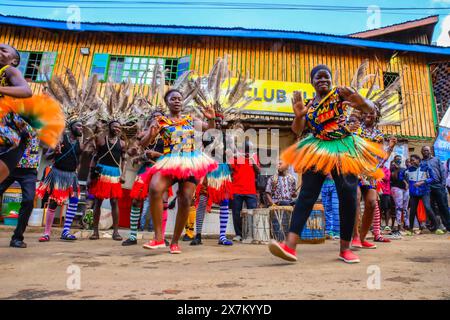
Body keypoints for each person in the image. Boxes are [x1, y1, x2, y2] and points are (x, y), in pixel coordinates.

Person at [269, 64, 384, 264]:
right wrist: (298, 116)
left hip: (342, 146)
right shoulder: (309, 104)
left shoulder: (340, 93)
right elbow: (297, 130)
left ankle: (345, 248)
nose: (323, 80)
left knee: (347, 195)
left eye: (326, 77)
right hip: (318, 148)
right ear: (312, 82)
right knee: (306, 195)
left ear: (331, 80)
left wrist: (361, 102)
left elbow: (369, 109)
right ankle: (289, 246)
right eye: (318, 78)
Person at [139, 89, 217, 254]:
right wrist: (151, 134)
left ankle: (175, 242)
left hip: (190, 160)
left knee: (185, 199)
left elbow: (210, 130)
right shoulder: (160, 121)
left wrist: (212, 119)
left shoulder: (190, 119)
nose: (177, 101)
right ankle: (159, 238)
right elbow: (144, 144)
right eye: (173, 98)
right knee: (154, 188)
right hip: (170, 160)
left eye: (179, 99)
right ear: (167, 102)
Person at [352, 109, 396, 247]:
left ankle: (363, 238)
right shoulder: (355, 130)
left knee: (371, 203)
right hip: (354, 168)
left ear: (376, 116)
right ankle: (355, 237)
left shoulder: (378, 135)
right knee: (356, 199)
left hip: (370, 172)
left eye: (371, 113)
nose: (368, 115)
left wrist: (390, 148)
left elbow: (380, 159)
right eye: (366, 112)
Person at [36, 120, 86, 241]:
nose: (81, 127)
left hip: (72, 176)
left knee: (74, 201)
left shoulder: (80, 144)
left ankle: (66, 231)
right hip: (58, 174)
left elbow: (78, 161)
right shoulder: (60, 139)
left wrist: (76, 173)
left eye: (82, 126)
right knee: (54, 202)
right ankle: (46, 233)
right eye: (78, 125)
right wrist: (54, 151)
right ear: (71, 127)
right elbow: (47, 156)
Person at [122, 112, 166, 246]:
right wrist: (135, 153)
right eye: (154, 116)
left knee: (163, 203)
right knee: (136, 201)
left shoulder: (167, 135)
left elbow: (172, 154)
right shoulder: (143, 134)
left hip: (161, 170)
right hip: (145, 169)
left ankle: (161, 236)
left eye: (160, 116)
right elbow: (132, 151)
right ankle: (133, 236)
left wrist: (155, 154)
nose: (156, 119)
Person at [190, 114, 235, 246]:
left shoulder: (227, 138)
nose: (218, 123)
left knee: (225, 203)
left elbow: (231, 157)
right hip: (208, 171)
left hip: (222, 172)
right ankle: (197, 235)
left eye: (220, 121)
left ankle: (222, 236)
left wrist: (230, 155)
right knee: (202, 202)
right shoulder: (206, 136)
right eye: (216, 121)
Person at [88, 121, 127, 241]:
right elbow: (94, 157)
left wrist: (123, 174)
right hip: (101, 172)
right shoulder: (101, 140)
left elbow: (124, 160)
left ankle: (116, 232)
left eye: (119, 127)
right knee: (98, 201)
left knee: (114, 201)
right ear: (109, 126)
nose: (117, 129)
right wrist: (90, 175)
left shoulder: (122, 143)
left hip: (115, 173)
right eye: (115, 126)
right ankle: (95, 232)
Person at [230, 138, 260, 242]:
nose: (249, 152)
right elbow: (230, 167)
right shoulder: (238, 157)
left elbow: (258, 171)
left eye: (251, 149)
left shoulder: (254, 156)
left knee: (252, 213)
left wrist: (253, 161)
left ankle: (251, 234)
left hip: (250, 190)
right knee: (236, 213)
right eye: (248, 150)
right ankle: (238, 234)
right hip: (237, 189)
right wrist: (233, 156)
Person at [405, 154, 442, 235]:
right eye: (411, 161)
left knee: (428, 207)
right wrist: (407, 183)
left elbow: (433, 178)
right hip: (414, 193)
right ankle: (410, 230)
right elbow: (403, 176)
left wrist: (423, 182)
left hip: (425, 191)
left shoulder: (426, 167)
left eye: (413, 160)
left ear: (418, 160)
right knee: (412, 210)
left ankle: (437, 228)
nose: (412, 162)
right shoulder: (409, 170)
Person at [421, 146, 450, 232]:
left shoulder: (436, 160)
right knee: (431, 207)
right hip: (427, 187)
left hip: (438, 185)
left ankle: (448, 226)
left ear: (430, 151)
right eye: (424, 150)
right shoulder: (421, 162)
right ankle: (434, 226)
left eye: (427, 150)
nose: (426, 152)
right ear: (422, 152)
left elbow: (443, 172)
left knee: (443, 206)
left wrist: (443, 184)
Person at [390, 155, 409, 235]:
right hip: (396, 188)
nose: (399, 160)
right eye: (397, 159)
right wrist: (395, 167)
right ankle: (399, 225)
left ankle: (406, 224)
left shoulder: (404, 169)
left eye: (400, 159)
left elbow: (407, 178)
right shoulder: (392, 169)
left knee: (405, 207)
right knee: (399, 207)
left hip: (405, 189)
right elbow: (394, 177)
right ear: (394, 160)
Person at [321, 174, 340, 239]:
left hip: (335, 182)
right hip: (324, 183)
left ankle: (336, 231)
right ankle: (329, 231)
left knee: (335, 208)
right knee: (326, 208)